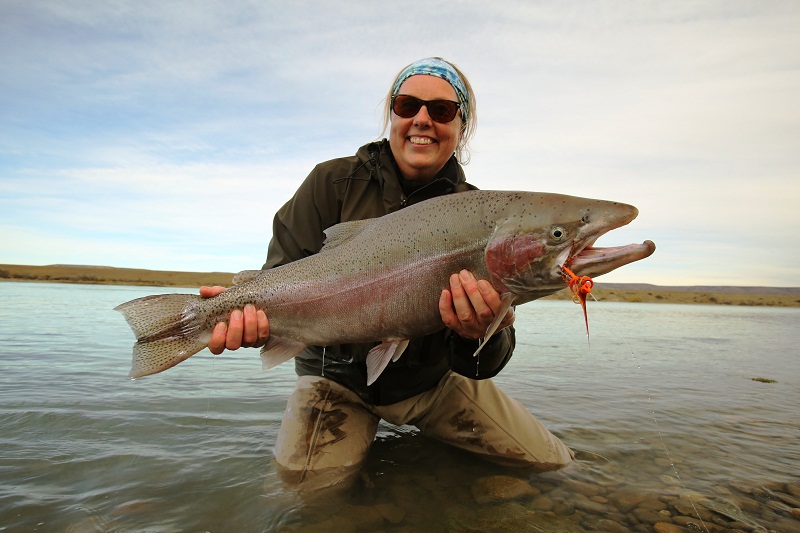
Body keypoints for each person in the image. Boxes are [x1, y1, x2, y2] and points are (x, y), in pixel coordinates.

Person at [201, 57, 574, 490]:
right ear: (391, 115)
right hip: (334, 384)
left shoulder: (480, 214)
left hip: (430, 386)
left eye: (442, 110)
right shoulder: (331, 182)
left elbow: (482, 368)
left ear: (461, 126)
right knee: (305, 496)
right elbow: (280, 278)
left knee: (552, 467)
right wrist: (250, 323)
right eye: (406, 105)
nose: (422, 120)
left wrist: (482, 331)